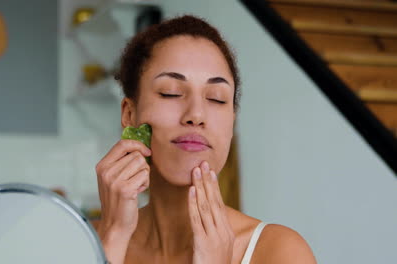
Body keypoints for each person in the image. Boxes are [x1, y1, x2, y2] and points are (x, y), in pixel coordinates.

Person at [92, 15, 316, 264]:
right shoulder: (79, 240)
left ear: (232, 120)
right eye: (171, 93)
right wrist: (113, 238)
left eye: (217, 98)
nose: (196, 115)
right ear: (129, 114)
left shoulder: (279, 252)